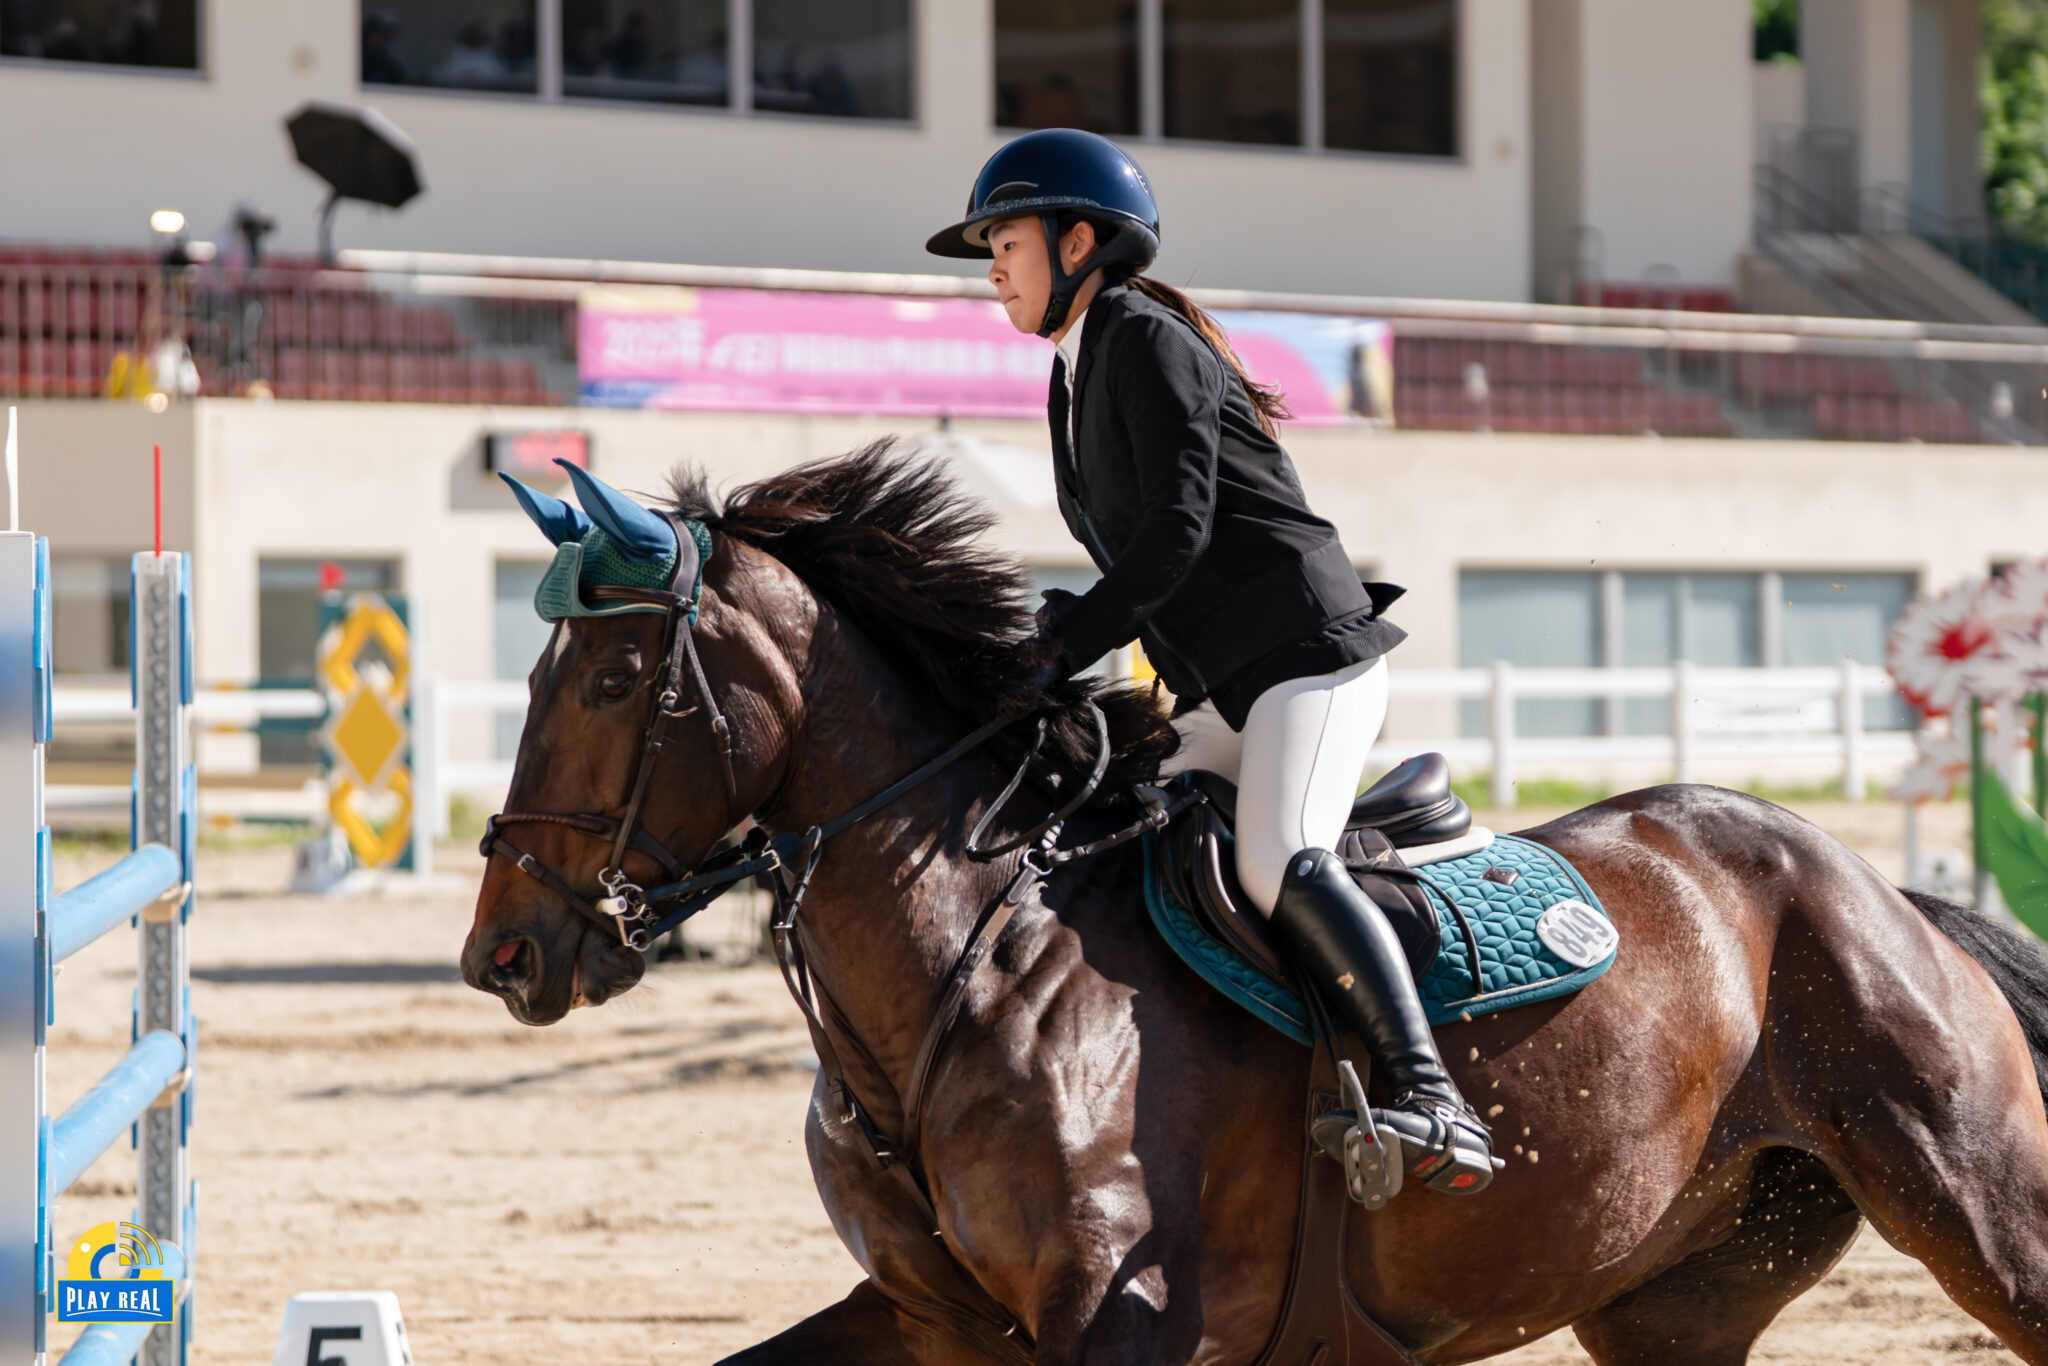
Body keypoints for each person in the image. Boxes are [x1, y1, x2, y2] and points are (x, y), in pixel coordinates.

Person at [925, 128, 1495, 1196]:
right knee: (1107, 845)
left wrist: (1070, 643)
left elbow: (1175, 535)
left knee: (1276, 858)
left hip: (1306, 661)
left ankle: (1431, 1096)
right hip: (1224, 686)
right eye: (990, 251)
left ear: (1079, 242)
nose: (992, 269)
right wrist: (1061, 631)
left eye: (1004, 244)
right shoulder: (1074, 373)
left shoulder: (1142, 337)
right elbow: (1139, 559)